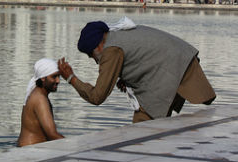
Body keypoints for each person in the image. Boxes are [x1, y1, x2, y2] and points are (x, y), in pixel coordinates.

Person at [58, 19, 215, 123]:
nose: (93, 59)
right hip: (183, 60)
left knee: (141, 128)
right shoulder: (117, 35)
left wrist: (71, 78)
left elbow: (97, 96)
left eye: (91, 55)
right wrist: (127, 77)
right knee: (149, 127)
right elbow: (142, 56)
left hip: (173, 70)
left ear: (97, 46)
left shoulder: (110, 51)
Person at [17, 58, 64, 147]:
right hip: (30, 152)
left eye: (59, 76)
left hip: (29, 149)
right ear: (43, 78)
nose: (58, 81)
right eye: (54, 77)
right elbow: (52, 134)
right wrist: (75, 145)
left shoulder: (37, 94)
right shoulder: (40, 99)